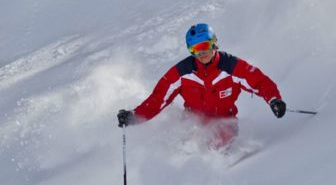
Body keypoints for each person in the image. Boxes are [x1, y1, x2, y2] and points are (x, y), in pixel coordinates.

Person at [117, 23, 286, 148]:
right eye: (195, 49)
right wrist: (135, 115)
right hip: (192, 125)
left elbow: (259, 81)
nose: (201, 53)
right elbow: (159, 97)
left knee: (219, 148)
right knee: (184, 149)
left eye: (204, 46)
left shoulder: (231, 67)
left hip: (224, 126)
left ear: (214, 43)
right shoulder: (183, 72)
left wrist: (274, 100)